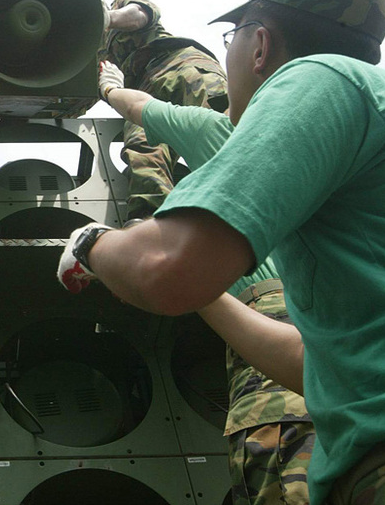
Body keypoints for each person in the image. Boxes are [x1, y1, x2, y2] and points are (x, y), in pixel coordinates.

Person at [57, 0, 385, 505]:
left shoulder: (318, 79)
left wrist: (92, 241)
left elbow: (167, 269)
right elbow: (311, 364)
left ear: (259, 43)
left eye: (233, 38)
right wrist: (210, 293)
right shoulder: (378, 125)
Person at [97, 61, 313, 505]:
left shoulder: (223, 133)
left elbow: (139, 106)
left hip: (274, 315)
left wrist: (110, 86)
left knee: (288, 462)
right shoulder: (346, 150)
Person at [99, 0, 229, 221]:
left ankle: (238, 199)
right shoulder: (89, 46)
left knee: (220, 131)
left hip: (179, 66)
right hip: (143, 92)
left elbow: (140, 14)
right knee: (142, 146)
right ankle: (151, 220)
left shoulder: (121, 4)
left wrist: (107, 18)